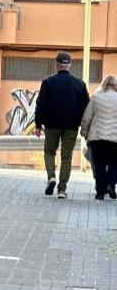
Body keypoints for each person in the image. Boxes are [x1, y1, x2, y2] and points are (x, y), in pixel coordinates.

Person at [34, 52, 89, 199]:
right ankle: (62, 189)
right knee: (67, 156)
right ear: (69, 65)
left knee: (49, 152)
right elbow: (86, 108)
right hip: (71, 126)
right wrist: (83, 126)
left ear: (57, 64)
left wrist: (38, 124)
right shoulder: (80, 84)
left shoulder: (48, 82)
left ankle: (51, 177)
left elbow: (41, 104)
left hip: (52, 125)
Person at [80, 74, 117, 200]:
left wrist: (85, 134)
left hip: (97, 138)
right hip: (115, 138)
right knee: (114, 163)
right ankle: (111, 186)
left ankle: (100, 192)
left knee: (99, 164)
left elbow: (86, 118)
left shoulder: (96, 97)